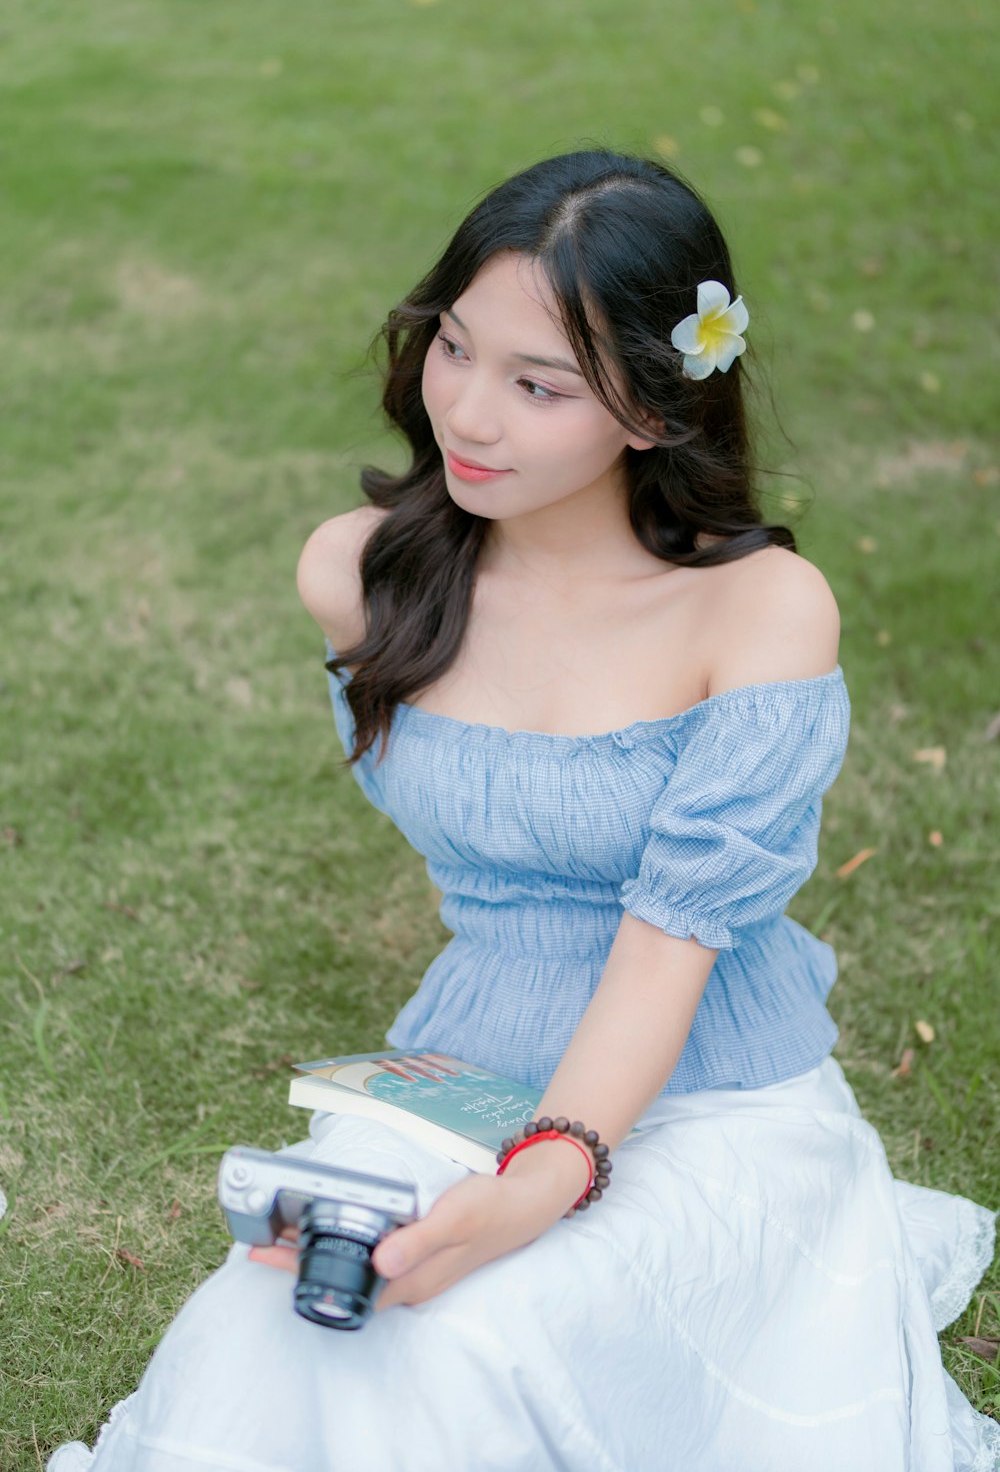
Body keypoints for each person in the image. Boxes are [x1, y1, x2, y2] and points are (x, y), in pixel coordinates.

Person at [49, 149, 998, 1472]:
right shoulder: (361, 576)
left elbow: (671, 942)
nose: (469, 417)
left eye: (539, 385)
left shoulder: (761, 614)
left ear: (656, 413)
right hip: (463, 1066)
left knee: (476, 1342)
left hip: (712, 1094)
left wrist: (543, 1179)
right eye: (454, 347)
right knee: (277, 1327)